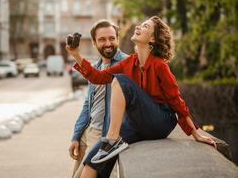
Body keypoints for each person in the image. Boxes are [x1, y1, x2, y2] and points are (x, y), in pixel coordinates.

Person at [66, 16, 217, 178]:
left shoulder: (160, 66)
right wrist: (76, 54)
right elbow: (98, 78)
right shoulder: (130, 62)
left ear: (152, 38)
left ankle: (112, 140)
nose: (138, 26)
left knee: (120, 80)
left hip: (160, 122)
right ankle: (110, 142)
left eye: (145, 26)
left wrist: (195, 133)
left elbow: (176, 100)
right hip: (138, 123)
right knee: (92, 162)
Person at [69, 20, 128, 178]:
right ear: (94, 43)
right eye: (102, 40)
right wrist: (76, 135)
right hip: (88, 133)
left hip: (105, 135)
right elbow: (88, 104)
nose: (108, 43)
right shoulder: (94, 68)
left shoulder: (127, 64)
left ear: (117, 39)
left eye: (111, 38)